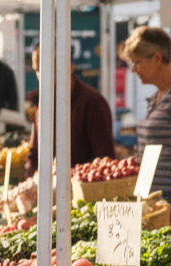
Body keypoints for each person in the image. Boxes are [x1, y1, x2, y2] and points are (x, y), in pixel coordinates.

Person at [25, 42, 116, 177]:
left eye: (47, 68)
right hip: (47, 192)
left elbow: (105, 159)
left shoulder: (92, 102)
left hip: (83, 192)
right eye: (37, 70)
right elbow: (33, 153)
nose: (41, 76)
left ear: (69, 67)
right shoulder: (42, 104)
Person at [126, 27, 171, 195]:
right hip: (153, 204)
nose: (133, 69)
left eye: (137, 62)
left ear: (157, 58)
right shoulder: (155, 100)